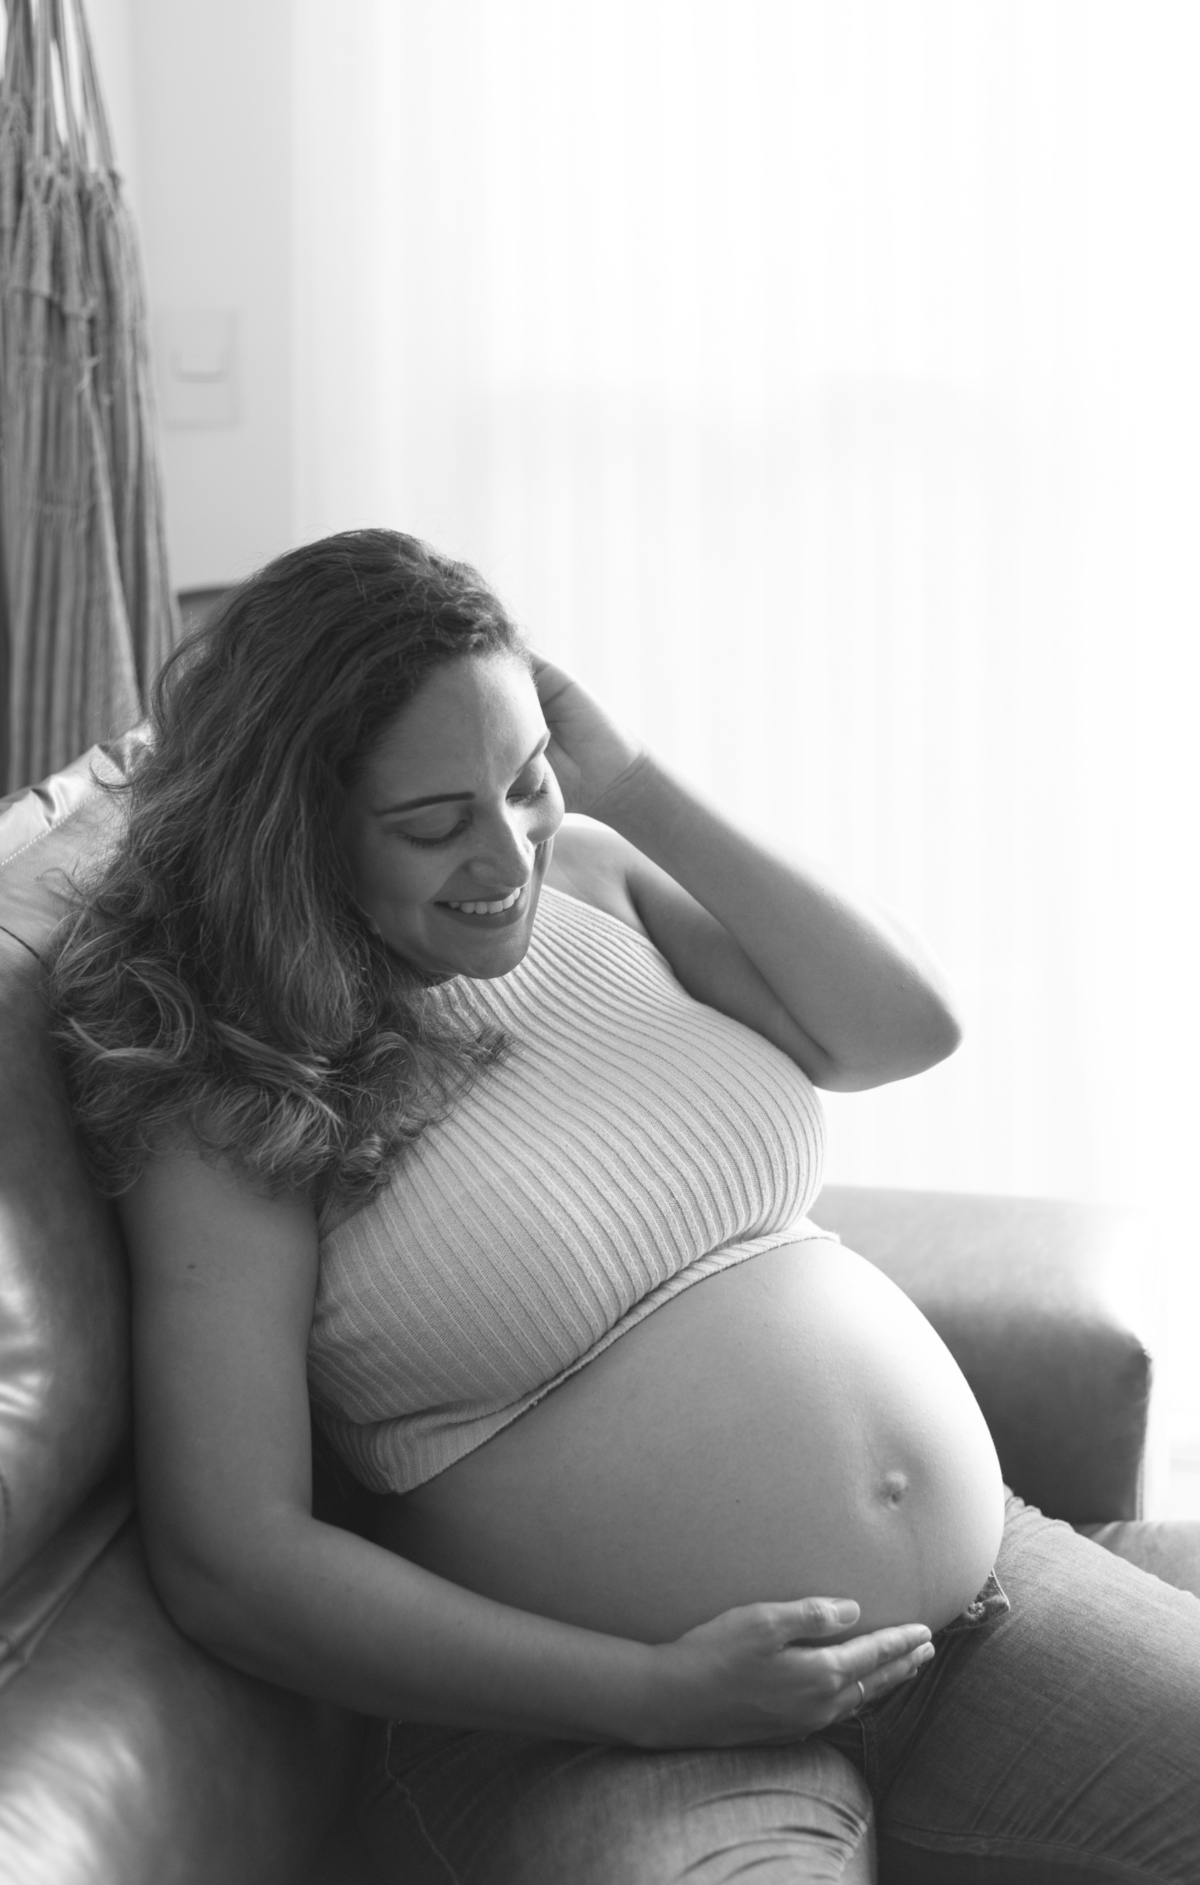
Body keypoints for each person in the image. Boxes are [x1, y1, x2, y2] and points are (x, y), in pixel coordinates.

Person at [47, 529, 1200, 1882]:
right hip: (605, 1730)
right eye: (434, 823)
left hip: (977, 1615)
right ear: (289, 831)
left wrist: (634, 784)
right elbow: (232, 1557)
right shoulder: (236, 1075)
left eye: (525, 778)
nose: (507, 853)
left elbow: (903, 1028)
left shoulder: (593, 876)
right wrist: (655, 1692)